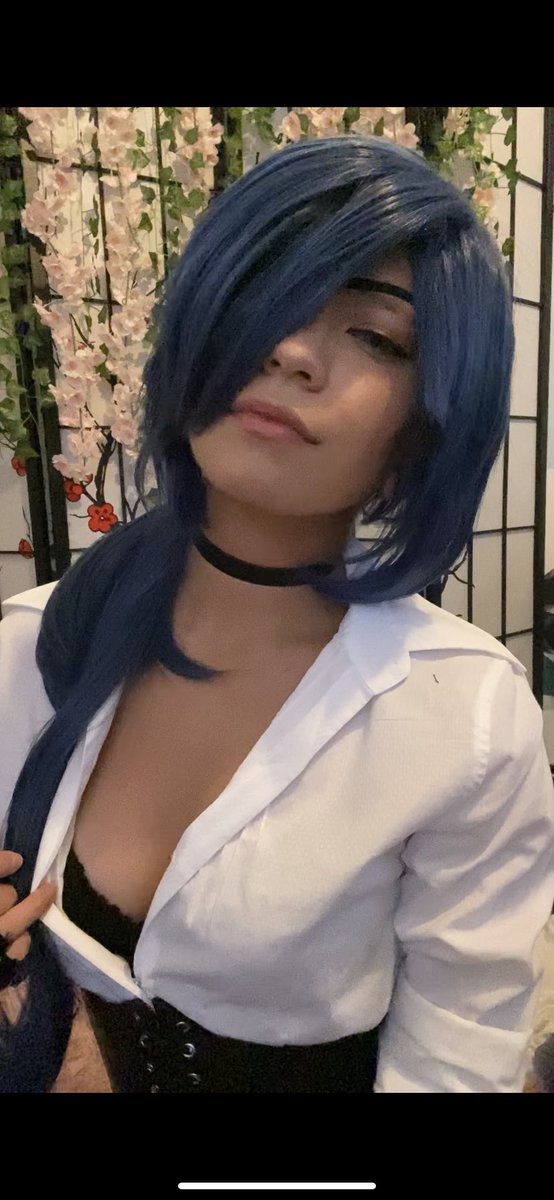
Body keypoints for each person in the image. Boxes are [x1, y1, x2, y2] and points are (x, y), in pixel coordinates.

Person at [1, 134, 553, 1093]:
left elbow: (462, 1047)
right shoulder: (31, 643)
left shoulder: (465, 718)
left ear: (428, 423)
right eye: (269, 297)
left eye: (376, 337)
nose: (294, 351)